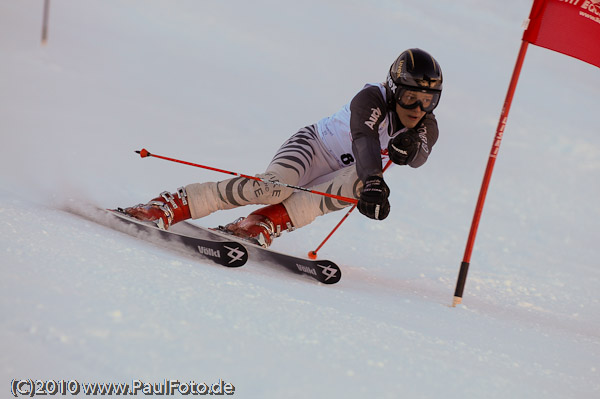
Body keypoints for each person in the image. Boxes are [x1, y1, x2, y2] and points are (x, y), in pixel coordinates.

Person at [123, 48, 443, 247]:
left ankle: (262, 222)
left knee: (360, 184)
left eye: (429, 100)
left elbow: (419, 158)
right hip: (312, 147)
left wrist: (410, 149)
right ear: (393, 89)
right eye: (410, 96)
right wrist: (376, 180)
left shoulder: (426, 125)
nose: (417, 107)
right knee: (271, 188)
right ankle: (169, 204)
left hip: (344, 174)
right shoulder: (371, 98)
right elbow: (364, 138)